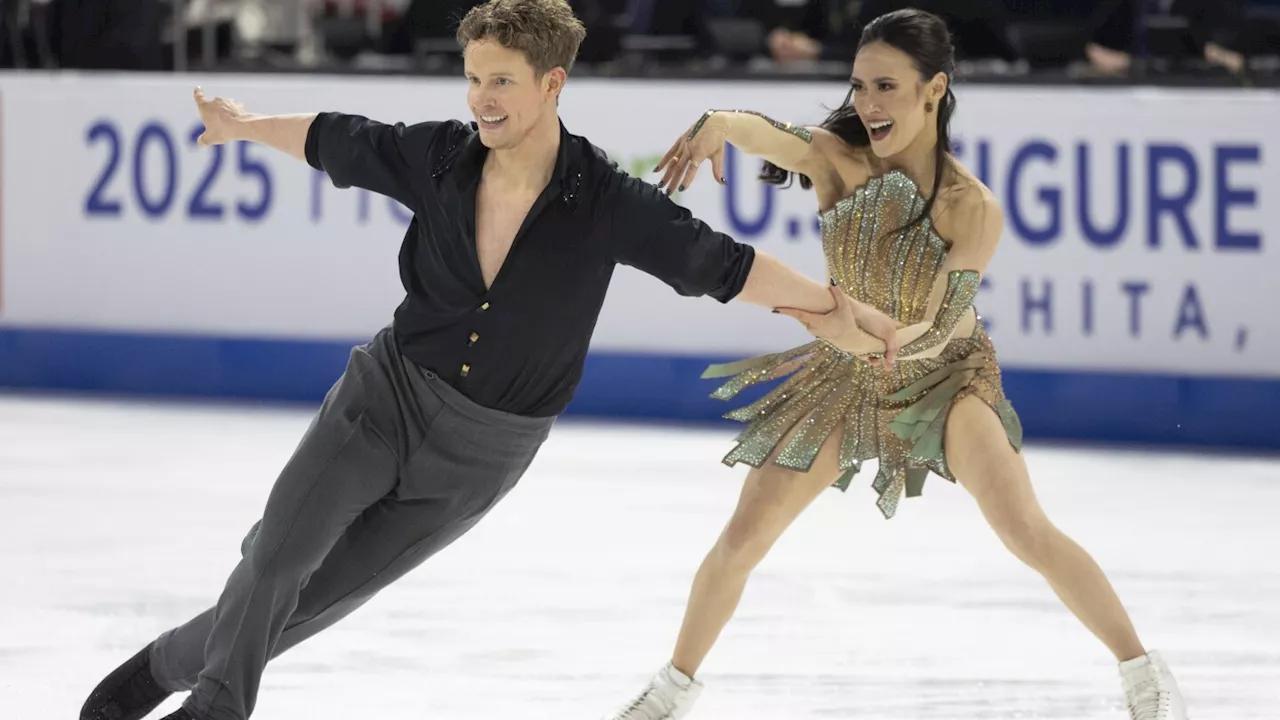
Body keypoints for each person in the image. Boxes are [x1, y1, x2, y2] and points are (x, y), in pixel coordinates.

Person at [77, 2, 904, 719]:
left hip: (480, 457)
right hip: (385, 395)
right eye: (473, 78)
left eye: (501, 80)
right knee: (277, 556)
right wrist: (244, 126)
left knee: (314, 598)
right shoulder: (438, 155)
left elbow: (721, 264)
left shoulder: (605, 202)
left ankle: (163, 665)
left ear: (552, 84)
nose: (480, 99)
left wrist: (829, 311)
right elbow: (337, 140)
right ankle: (217, 710)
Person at [603, 8, 1189, 720]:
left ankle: (1143, 673)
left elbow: (942, 326)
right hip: (844, 375)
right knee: (743, 538)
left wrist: (865, 336)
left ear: (933, 89)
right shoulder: (835, 157)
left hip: (947, 379)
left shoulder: (971, 207)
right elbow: (768, 134)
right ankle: (670, 691)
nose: (867, 104)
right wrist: (719, 121)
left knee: (1022, 527)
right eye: (857, 86)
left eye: (886, 86)